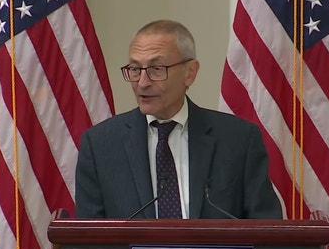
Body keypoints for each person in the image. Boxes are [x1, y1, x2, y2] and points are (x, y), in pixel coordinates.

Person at [75, 19, 281, 219]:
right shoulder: (100, 145)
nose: (142, 83)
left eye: (156, 69)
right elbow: (85, 243)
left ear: (189, 73)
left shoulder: (238, 139)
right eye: (135, 69)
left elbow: (266, 229)